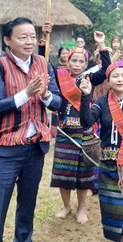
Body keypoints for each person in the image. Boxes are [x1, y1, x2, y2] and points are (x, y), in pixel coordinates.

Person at [0, 17, 62, 241]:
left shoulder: (44, 64)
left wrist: (45, 95)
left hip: (34, 149)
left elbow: (58, 104)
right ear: (7, 40)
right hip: (4, 149)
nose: (29, 41)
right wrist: (25, 93)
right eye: (22, 37)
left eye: (33, 37)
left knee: (27, 208)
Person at [80, 61, 123, 242]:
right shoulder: (102, 101)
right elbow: (86, 121)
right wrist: (86, 96)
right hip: (108, 167)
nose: (120, 79)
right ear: (108, 81)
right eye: (115, 76)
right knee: (112, 210)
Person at [50, 32, 108, 224]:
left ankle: (81, 209)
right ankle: (66, 206)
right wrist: (43, 47)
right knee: (63, 172)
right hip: (65, 132)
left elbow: (107, 68)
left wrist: (102, 45)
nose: (76, 64)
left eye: (80, 61)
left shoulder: (90, 78)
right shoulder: (59, 77)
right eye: (73, 60)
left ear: (86, 64)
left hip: (84, 131)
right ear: (67, 62)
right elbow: (42, 67)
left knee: (84, 174)